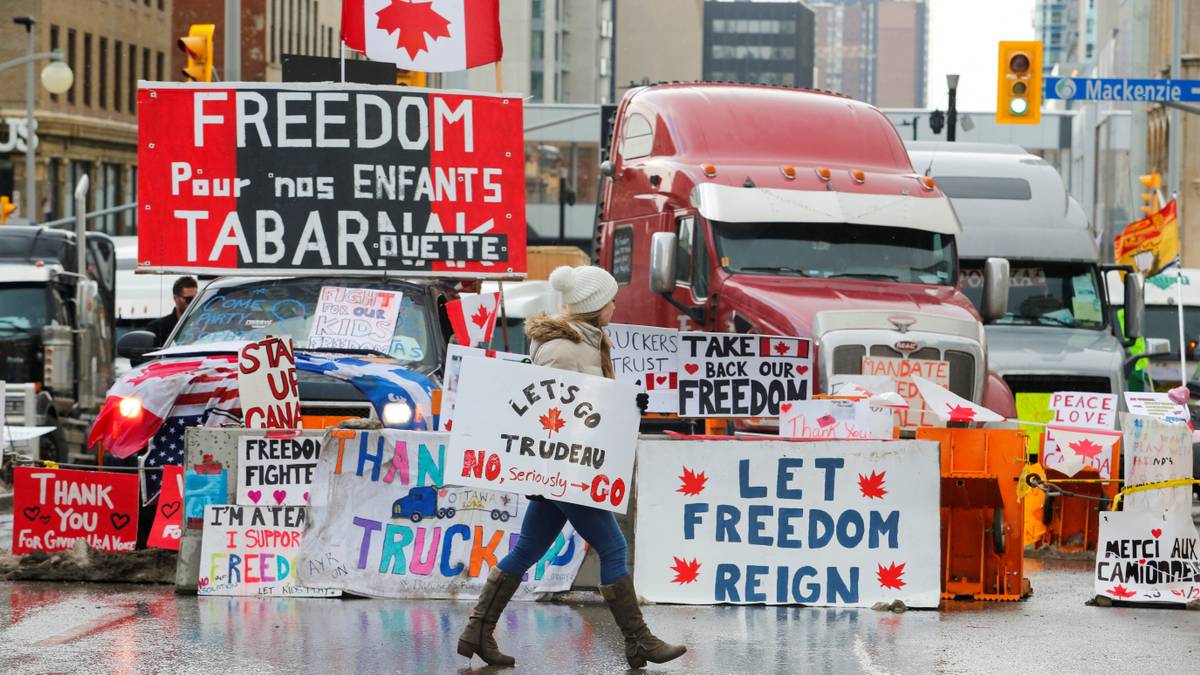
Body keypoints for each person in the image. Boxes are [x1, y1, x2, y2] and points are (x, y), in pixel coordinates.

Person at [457, 265, 687, 669]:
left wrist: (626, 407)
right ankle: (639, 641)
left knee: (528, 548)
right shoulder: (565, 349)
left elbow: (588, 406)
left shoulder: (585, 342)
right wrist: (540, 469)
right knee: (613, 547)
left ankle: (477, 631)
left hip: (569, 468)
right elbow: (548, 412)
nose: (615, 305)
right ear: (597, 306)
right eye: (611, 299)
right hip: (568, 471)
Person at [146, 276, 198, 345]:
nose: (193, 302)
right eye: (189, 299)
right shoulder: (158, 328)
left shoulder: (206, 324)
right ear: (175, 298)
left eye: (196, 299)